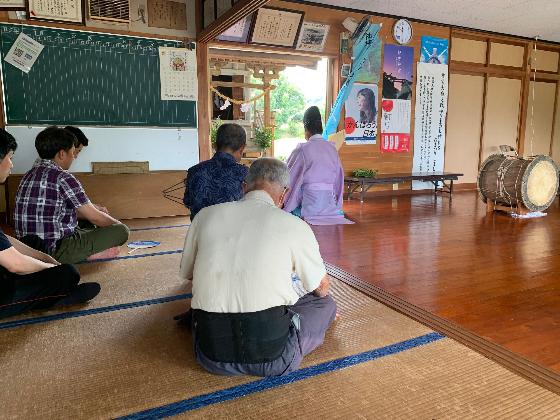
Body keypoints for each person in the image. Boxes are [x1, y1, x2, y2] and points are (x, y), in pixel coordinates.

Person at [179, 158, 337, 377]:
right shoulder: (295, 225)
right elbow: (321, 289)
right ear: (284, 194)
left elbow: (188, 275)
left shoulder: (205, 216)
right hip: (274, 357)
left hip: (209, 355)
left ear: (244, 187)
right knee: (325, 304)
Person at [0, 129, 100, 319]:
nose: (12, 164)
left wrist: (44, 258)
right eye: (10, 157)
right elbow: (15, 264)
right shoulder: (62, 177)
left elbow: (5, 240)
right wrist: (53, 268)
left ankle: (49, 290)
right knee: (67, 273)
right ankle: (54, 297)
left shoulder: (30, 174)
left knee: (34, 242)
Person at [14, 126, 129, 264]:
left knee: (86, 221)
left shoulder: (28, 174)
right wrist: (117, 225)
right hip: (52, 252)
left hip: (25, 248)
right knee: (122, 231)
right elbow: (95, 217)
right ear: (62, 154)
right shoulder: (63, 177)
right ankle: (86, 254)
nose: (74, 157)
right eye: (73, 152)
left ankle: (85, 249)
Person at [283, 106, 353, 225]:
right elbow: (338, 180)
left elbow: (288, 177)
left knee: (289, 210)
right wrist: (337, 204)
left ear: (306, 129)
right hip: (330, 205)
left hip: (309, 206)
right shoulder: (332, 148)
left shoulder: (302, 149)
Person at [183, 123, 248, 221]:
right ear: (242, 149)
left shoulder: (194, 171)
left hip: (200, 231)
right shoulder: (245, 173)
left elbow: (187, 201)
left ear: (214, 146)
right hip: (232, 232)